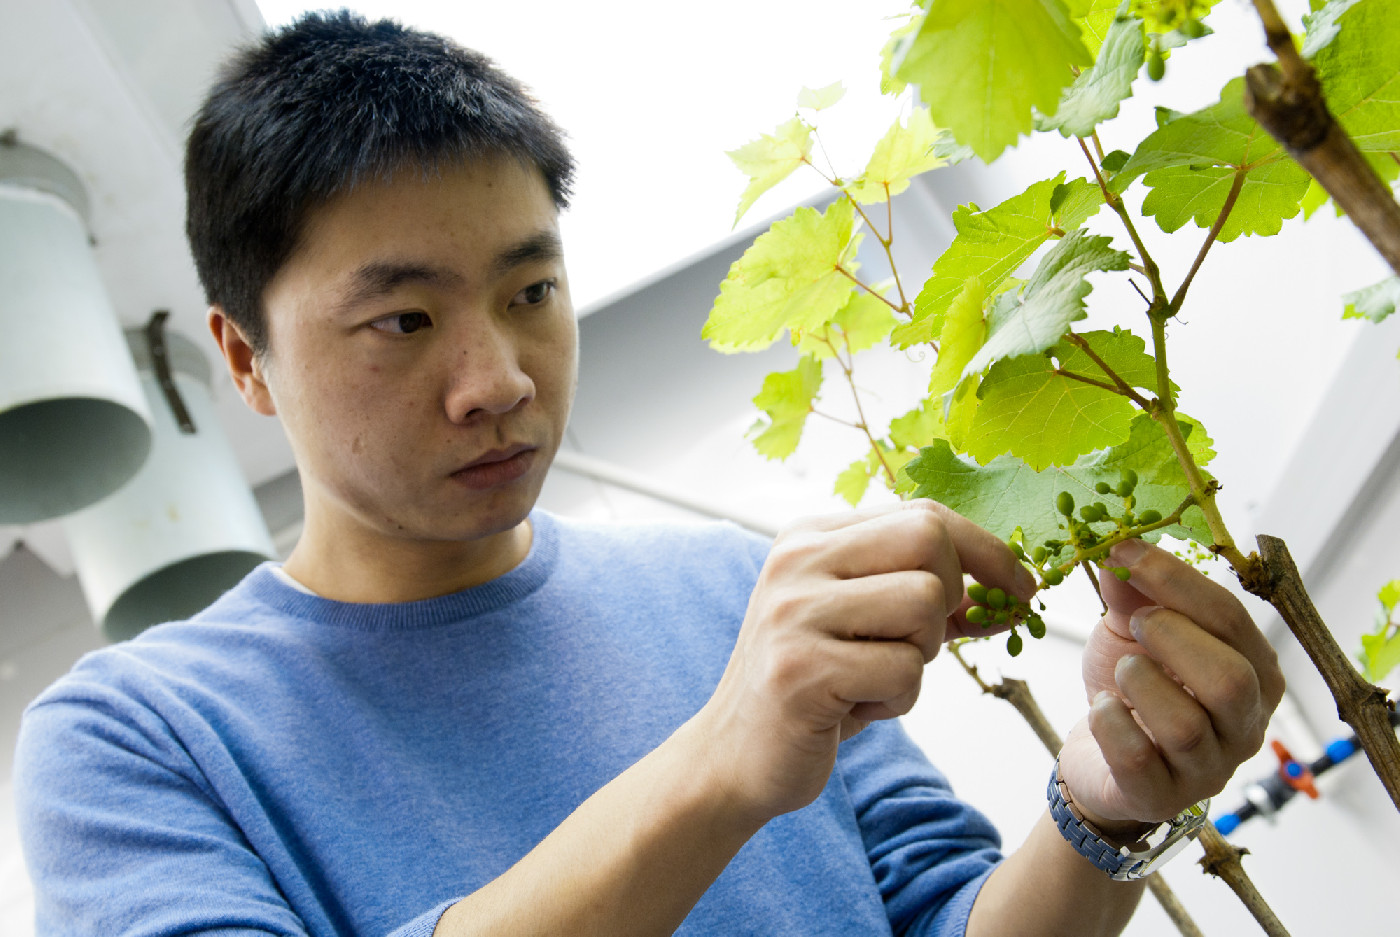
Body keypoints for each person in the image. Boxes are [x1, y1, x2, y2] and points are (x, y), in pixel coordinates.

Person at [14, 11, 1284, 937]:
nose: (498, 376)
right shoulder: (133, 737)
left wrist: (1100, 810)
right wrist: (717, 765)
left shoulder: (739, 592)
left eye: (530, 291)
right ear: (245, 358)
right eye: (403, 321)